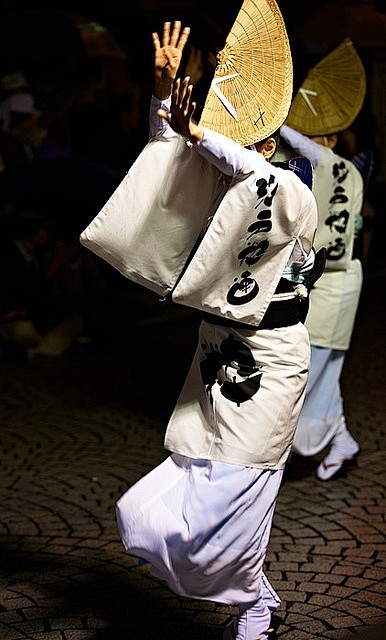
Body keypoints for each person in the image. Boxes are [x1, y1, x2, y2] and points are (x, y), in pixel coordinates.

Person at [111, 13, 319, 640]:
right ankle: (257, 591)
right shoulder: (223, 182)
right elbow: (167, 165)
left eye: (237, 147)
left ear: (266, 148)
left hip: (274, 364)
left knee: (238, 492)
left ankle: (252, 605)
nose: (217, 155)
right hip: (217, 363)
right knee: (168, 498)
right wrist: (163, 98)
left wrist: (200, 130)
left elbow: (252, 175)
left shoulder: (291, 193)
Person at [279, 38, 368, 481]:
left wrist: (279, 119)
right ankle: (341, 438)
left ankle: (315, 439)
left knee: (313, 375)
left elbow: (302, 146)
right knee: (323, 375)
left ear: (331, 140)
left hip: (335, 286)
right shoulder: (313, 170)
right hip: (322, 286)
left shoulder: (343, 170)